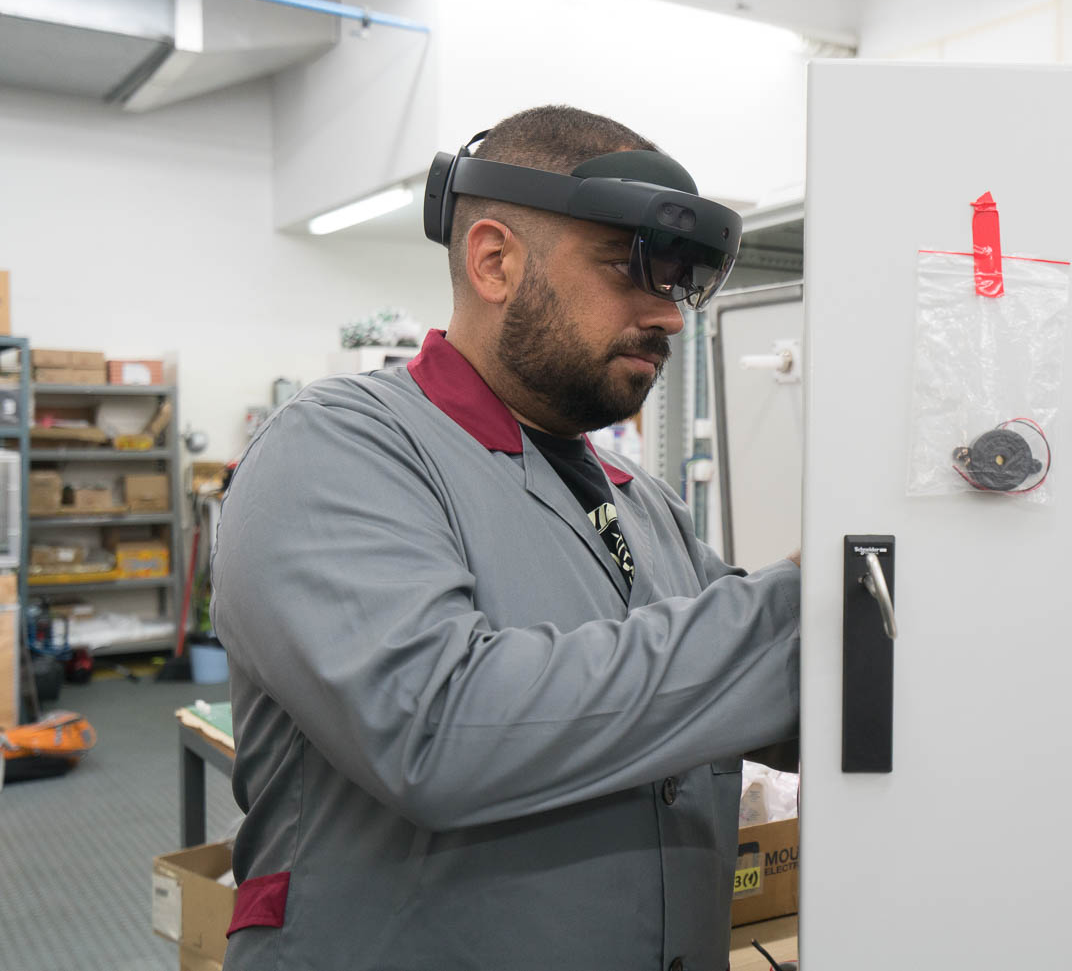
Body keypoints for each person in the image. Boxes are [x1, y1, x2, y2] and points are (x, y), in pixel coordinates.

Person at [211, 105, 800, 971]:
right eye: (631, 268)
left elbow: (754, 686)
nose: (670, 316)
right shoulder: (335, 448)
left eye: (679, 284)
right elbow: (437, 728)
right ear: (495, 260)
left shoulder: (647, 508)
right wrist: (808, 610)